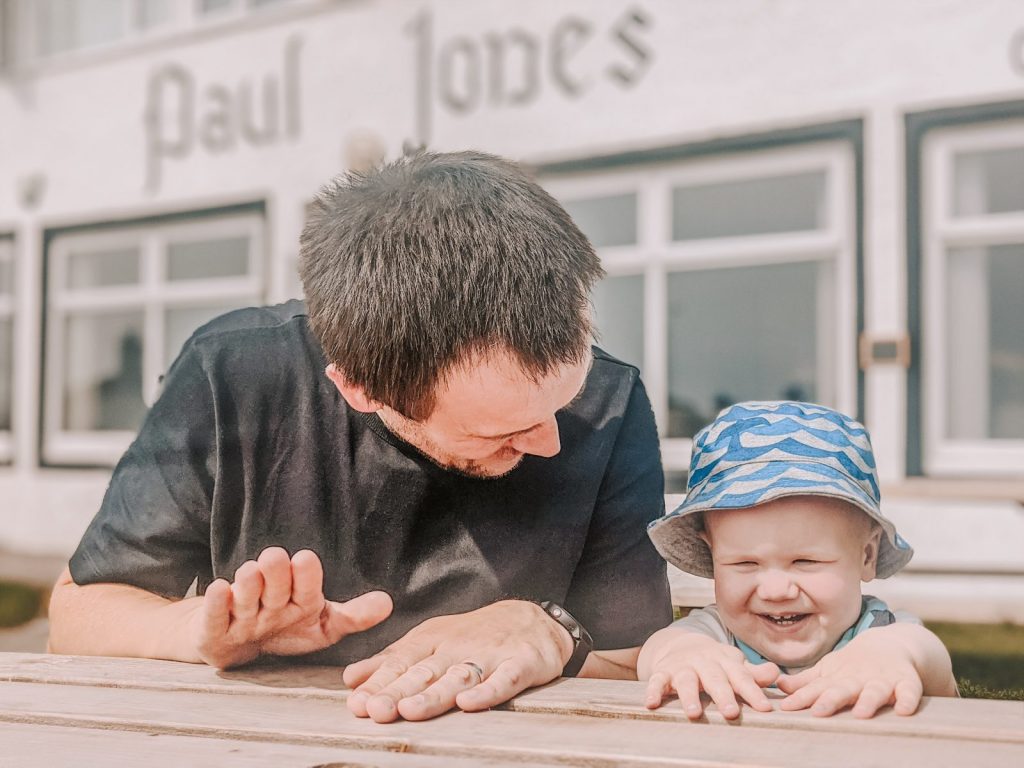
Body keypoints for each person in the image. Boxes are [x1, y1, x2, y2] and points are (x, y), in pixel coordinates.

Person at [48, 150, 672, 723]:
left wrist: (544, 629)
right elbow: (78, 615)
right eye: (503, 431)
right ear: (358, 389)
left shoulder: (610, 403)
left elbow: (637, 657)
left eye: (563, 400)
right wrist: (209, 634)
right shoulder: (235, 372)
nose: (551, 443)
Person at [640, 401, 957, 720]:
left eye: (805, 561)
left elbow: (930, 658)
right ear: (713, 557)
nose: (776, 590)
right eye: (745, 564)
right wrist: (684, 654)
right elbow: (657, 650)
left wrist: (889, 655)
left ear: (867, 555)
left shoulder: (881, 632)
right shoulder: (716, 634)